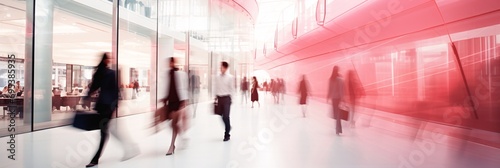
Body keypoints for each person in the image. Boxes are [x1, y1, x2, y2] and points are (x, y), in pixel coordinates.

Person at [85, 52, 139, 167]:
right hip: (107, 106)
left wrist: (86, 98)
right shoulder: (108, 73)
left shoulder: (101, 73)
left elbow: (94, 88)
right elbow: (115, 91)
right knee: (109, 131)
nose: (110, 60)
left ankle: (95, 159)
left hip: (104, 107)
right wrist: (115, 105)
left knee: (105, 132)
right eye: (108, 58)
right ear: (105, 60)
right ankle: (131, 148)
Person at [163, 57, 189, 156]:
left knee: (174, 123)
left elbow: (184, 87)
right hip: (170, 102)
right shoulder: (167, 74)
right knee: (172, 124)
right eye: (169, 62)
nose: (170, 64)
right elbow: (166, 87)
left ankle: (172, 145)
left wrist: (184, 101)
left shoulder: (181, 74)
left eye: (171, 62)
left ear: (174, 63)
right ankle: (182, 137)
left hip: (178, 101)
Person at [214, 61, 235, 141]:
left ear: (225, 68)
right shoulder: (217, 77)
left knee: (226, 116)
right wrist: (215, 96)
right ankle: (228, 126)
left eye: (222, 66)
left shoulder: (230, 77)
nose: (220, 68)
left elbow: (232, 88)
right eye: (220, 66)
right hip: (219, 98)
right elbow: (215, 87)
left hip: (227, 98)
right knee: (221, 116)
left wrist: (232, 99)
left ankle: (227, 134)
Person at [327, 66, 344, 136]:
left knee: (336, 114)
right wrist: (343, 99)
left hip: (333, 98)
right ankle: (338, 129)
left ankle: (337, 128)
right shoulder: (339, 79)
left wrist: (328, 97)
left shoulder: (331, 79)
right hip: (338, 98)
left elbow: (329, 89)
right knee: (338, 114)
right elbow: (341, 90)